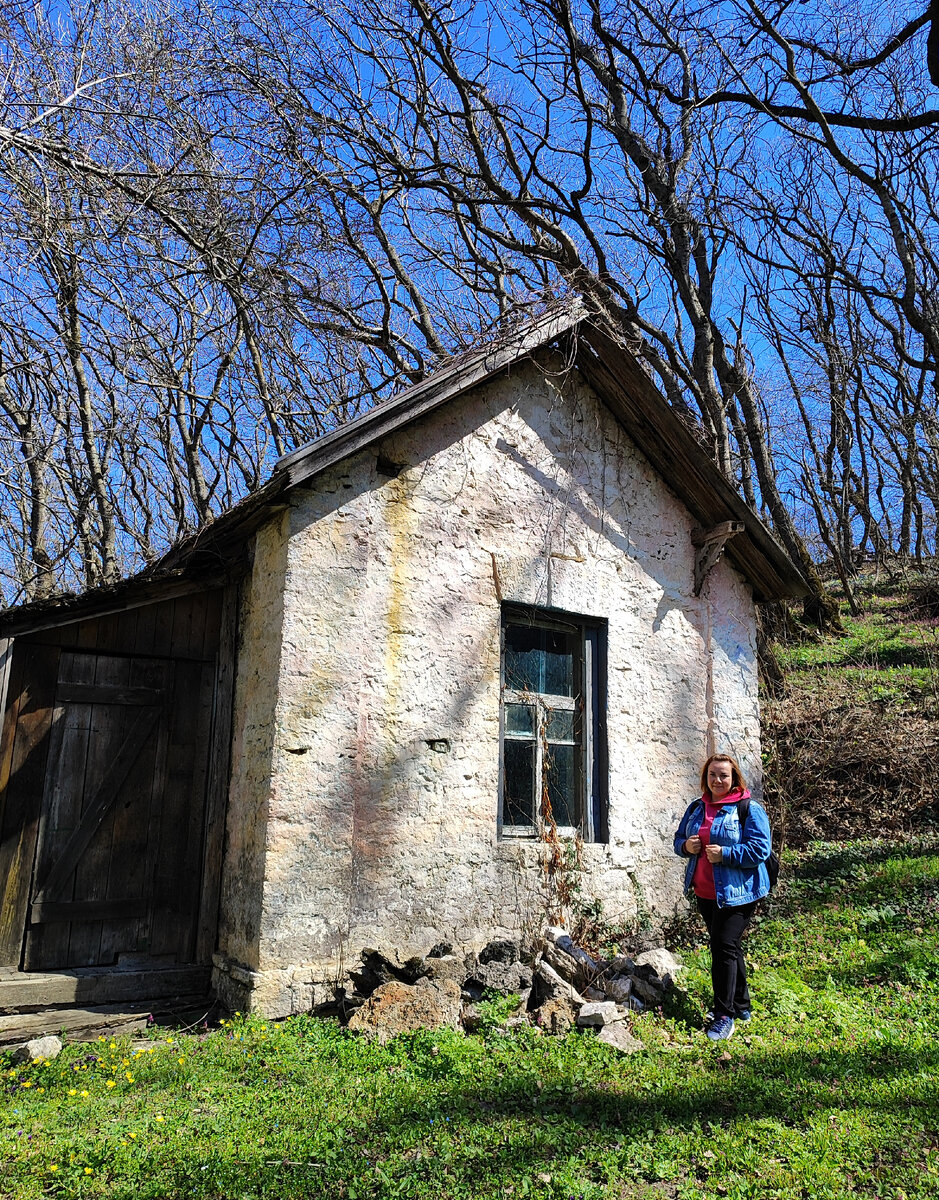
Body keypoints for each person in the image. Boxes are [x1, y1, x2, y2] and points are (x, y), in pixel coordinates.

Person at [673, 753, 772, 1042]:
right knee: (729, 947)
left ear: (734, 778)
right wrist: (686, 847)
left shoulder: (748, 809)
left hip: (739, 893)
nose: (718, 780)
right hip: (705, 892)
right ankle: (741, 1006)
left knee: (722, 947)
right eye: (713, 774)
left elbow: (760, 850)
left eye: (723, 775)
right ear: (706, 777)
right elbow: (679, 840)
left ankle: (724, 1015)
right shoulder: (696, 808)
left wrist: (726, 854)